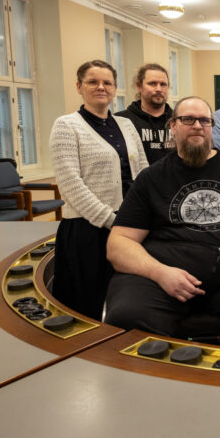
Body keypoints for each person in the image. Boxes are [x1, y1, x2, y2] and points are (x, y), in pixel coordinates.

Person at [104, 96, 220, 352]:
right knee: (126, 314)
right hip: (165, 280)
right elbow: (119, 243)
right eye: (188, 119)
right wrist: (160, 273)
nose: (197, 126)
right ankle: (158, 377)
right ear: (173, 126)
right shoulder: (152, 177)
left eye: (204, 120)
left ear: (212, 126)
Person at [49, 60, 148, 320]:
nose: (101, 87)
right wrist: (112, 221)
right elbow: (71, 184)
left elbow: (144, 173)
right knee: (86, 306)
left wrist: (142, 214)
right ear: (79, 87)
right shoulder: (66, 126)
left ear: (115, 88)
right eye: (93, 82)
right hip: (87, 230)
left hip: (128, 225)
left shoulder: (126, 125)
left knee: (125, 299)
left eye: (107, 82)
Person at [115, 63, 174, 163]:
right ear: (139, 86)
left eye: (163, 84)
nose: (159, 89)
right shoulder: (121, 121)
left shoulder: (180, 120)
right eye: (152, 84)